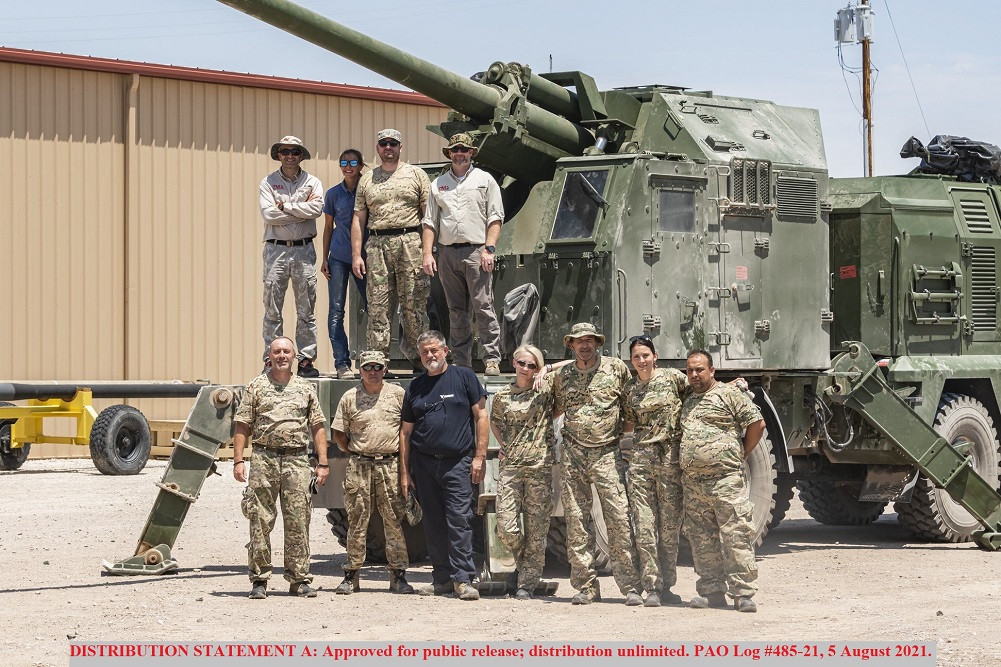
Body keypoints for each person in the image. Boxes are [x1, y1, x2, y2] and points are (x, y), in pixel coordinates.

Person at [552, 322, 642, 606]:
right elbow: (555, 409)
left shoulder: (616, 369)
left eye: (590, 340)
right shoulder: (563, 375)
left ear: (597, 343)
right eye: (579, 341)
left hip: (606, 455)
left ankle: (630, 586)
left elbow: (630, 410)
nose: (585, 345)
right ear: (571, 345)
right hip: (574, 456)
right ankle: (586, 586)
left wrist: (612, 436)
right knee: (577, 523)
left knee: (618, 519)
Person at [233, 336, 329, 599]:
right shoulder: (256, 386)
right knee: (260, 519)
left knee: (298, 520)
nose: (282, 356)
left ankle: (298, 579)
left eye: (287, 351)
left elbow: (318, 426)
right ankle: (259, 579)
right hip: (264, 459)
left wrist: (322, 462)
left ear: (294, 356)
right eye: (277, 352)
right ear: (270, 356)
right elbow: (242, 425)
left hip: (297, 460)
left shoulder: (306, 388)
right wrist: (239, 460)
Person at [399, 330, 488, 601]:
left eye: (434, 350)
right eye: (424, 352)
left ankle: (463, 579)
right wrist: (405, 472)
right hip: (424, 465)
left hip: (457, 463)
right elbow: (405, 433)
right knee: (434, 523)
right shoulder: (415, 387)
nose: (430, 356)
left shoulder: (464, 377)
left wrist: (479, 457)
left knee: (459, 520)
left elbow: (481, 415)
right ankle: (441, 579)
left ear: (445, 350)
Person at [680, 349, 765, 613]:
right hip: (694, 484)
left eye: (700, 369)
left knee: (735, 536)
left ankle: (742, 593)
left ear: (712, 370)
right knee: (701, 538)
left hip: (725, 481)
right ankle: (711, 590)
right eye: (690, 370)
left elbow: (757, 424)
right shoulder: (688, 400)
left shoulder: (729, 395)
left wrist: (742, 453)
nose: (694, 375)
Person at [330, 350, 414, 595]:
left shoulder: (398, 395)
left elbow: (407, 431)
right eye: (368, 367)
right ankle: (351, 575)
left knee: (393, 521)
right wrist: (359, 451)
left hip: (390, 465)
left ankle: (398, 576)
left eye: (378, 367)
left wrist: (404, 471)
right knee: (357, 520)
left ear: (385, 369)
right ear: (360, 370)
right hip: (360, 465)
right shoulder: (349, 397)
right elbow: (339, 435)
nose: (373, 372)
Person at [421, 133, 504, 376]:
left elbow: (495, 216)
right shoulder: (438, 184)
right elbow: (429, 223)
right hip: (447, 253)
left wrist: (489, 249)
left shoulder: (485, 180)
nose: (460, 153)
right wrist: (428, 254)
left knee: (483, 306)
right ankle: (461, 361)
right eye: (455, 149)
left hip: (476, 251)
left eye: (464, 149)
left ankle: (491, 359)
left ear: (471, 153)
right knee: (456, 310)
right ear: (449, 153)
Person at [352, 129, 431, 368]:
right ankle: (378, 359)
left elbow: (429, 217)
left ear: (400, 147)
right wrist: (356, 255)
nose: (389, 148)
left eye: (393, 143)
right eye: (384, 144)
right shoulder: (367, 179)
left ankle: (420, 358)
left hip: (410, 242)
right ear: (377, 148)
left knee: (413, 303)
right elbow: (358, 219)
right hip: (377, 245)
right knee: (378, 305)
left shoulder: (416, 175)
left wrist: (428, 250)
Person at [621, 335, 687, 608]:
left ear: (655, 356)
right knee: (645, 526)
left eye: (645, 355)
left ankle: (668, 584)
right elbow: (629, 423)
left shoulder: (673, 378)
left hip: (669, 460)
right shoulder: (631, 390)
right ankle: (652, 587)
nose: (641, 360)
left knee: (670, 527)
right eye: (636, 357)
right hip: (641, 463)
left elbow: (699, 393)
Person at [489, 344, 557, 600]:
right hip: (512, 468)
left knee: (537, 529)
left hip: (539, 467)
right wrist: (504, 444)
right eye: (522, 363)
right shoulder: (503, 397)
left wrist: (547, 369)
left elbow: (573, 365)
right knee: (507, 527)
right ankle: (523, 562)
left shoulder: (545, 390)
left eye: (532, 365)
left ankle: (526, 583)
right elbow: (495, 422)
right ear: (514, 364)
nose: (526, 369)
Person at [258, 135, 324, 378]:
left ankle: (306, 359)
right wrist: (300, 210)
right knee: (272, 307)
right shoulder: (268, 182)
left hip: (304, 249)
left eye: (294, 152)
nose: (289, 156)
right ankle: (272, 359)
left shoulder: (312, 182)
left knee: (306, 307)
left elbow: (316, 210)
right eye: (285, 151)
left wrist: (284, 206)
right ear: (279, 155)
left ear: (301, 156)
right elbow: (268, 215)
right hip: (275, 250)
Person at [321, 149, 368, 380]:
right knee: (336, 310)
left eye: (352, 162)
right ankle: (342, 363)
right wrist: (324, 258)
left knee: (374, 308)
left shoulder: (368, 189)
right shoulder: (333, 194)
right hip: (338, 256)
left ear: (360, 165)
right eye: (343, 162)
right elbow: (328, 227)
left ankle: (372, 360)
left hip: (365, 257)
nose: (347, 166)